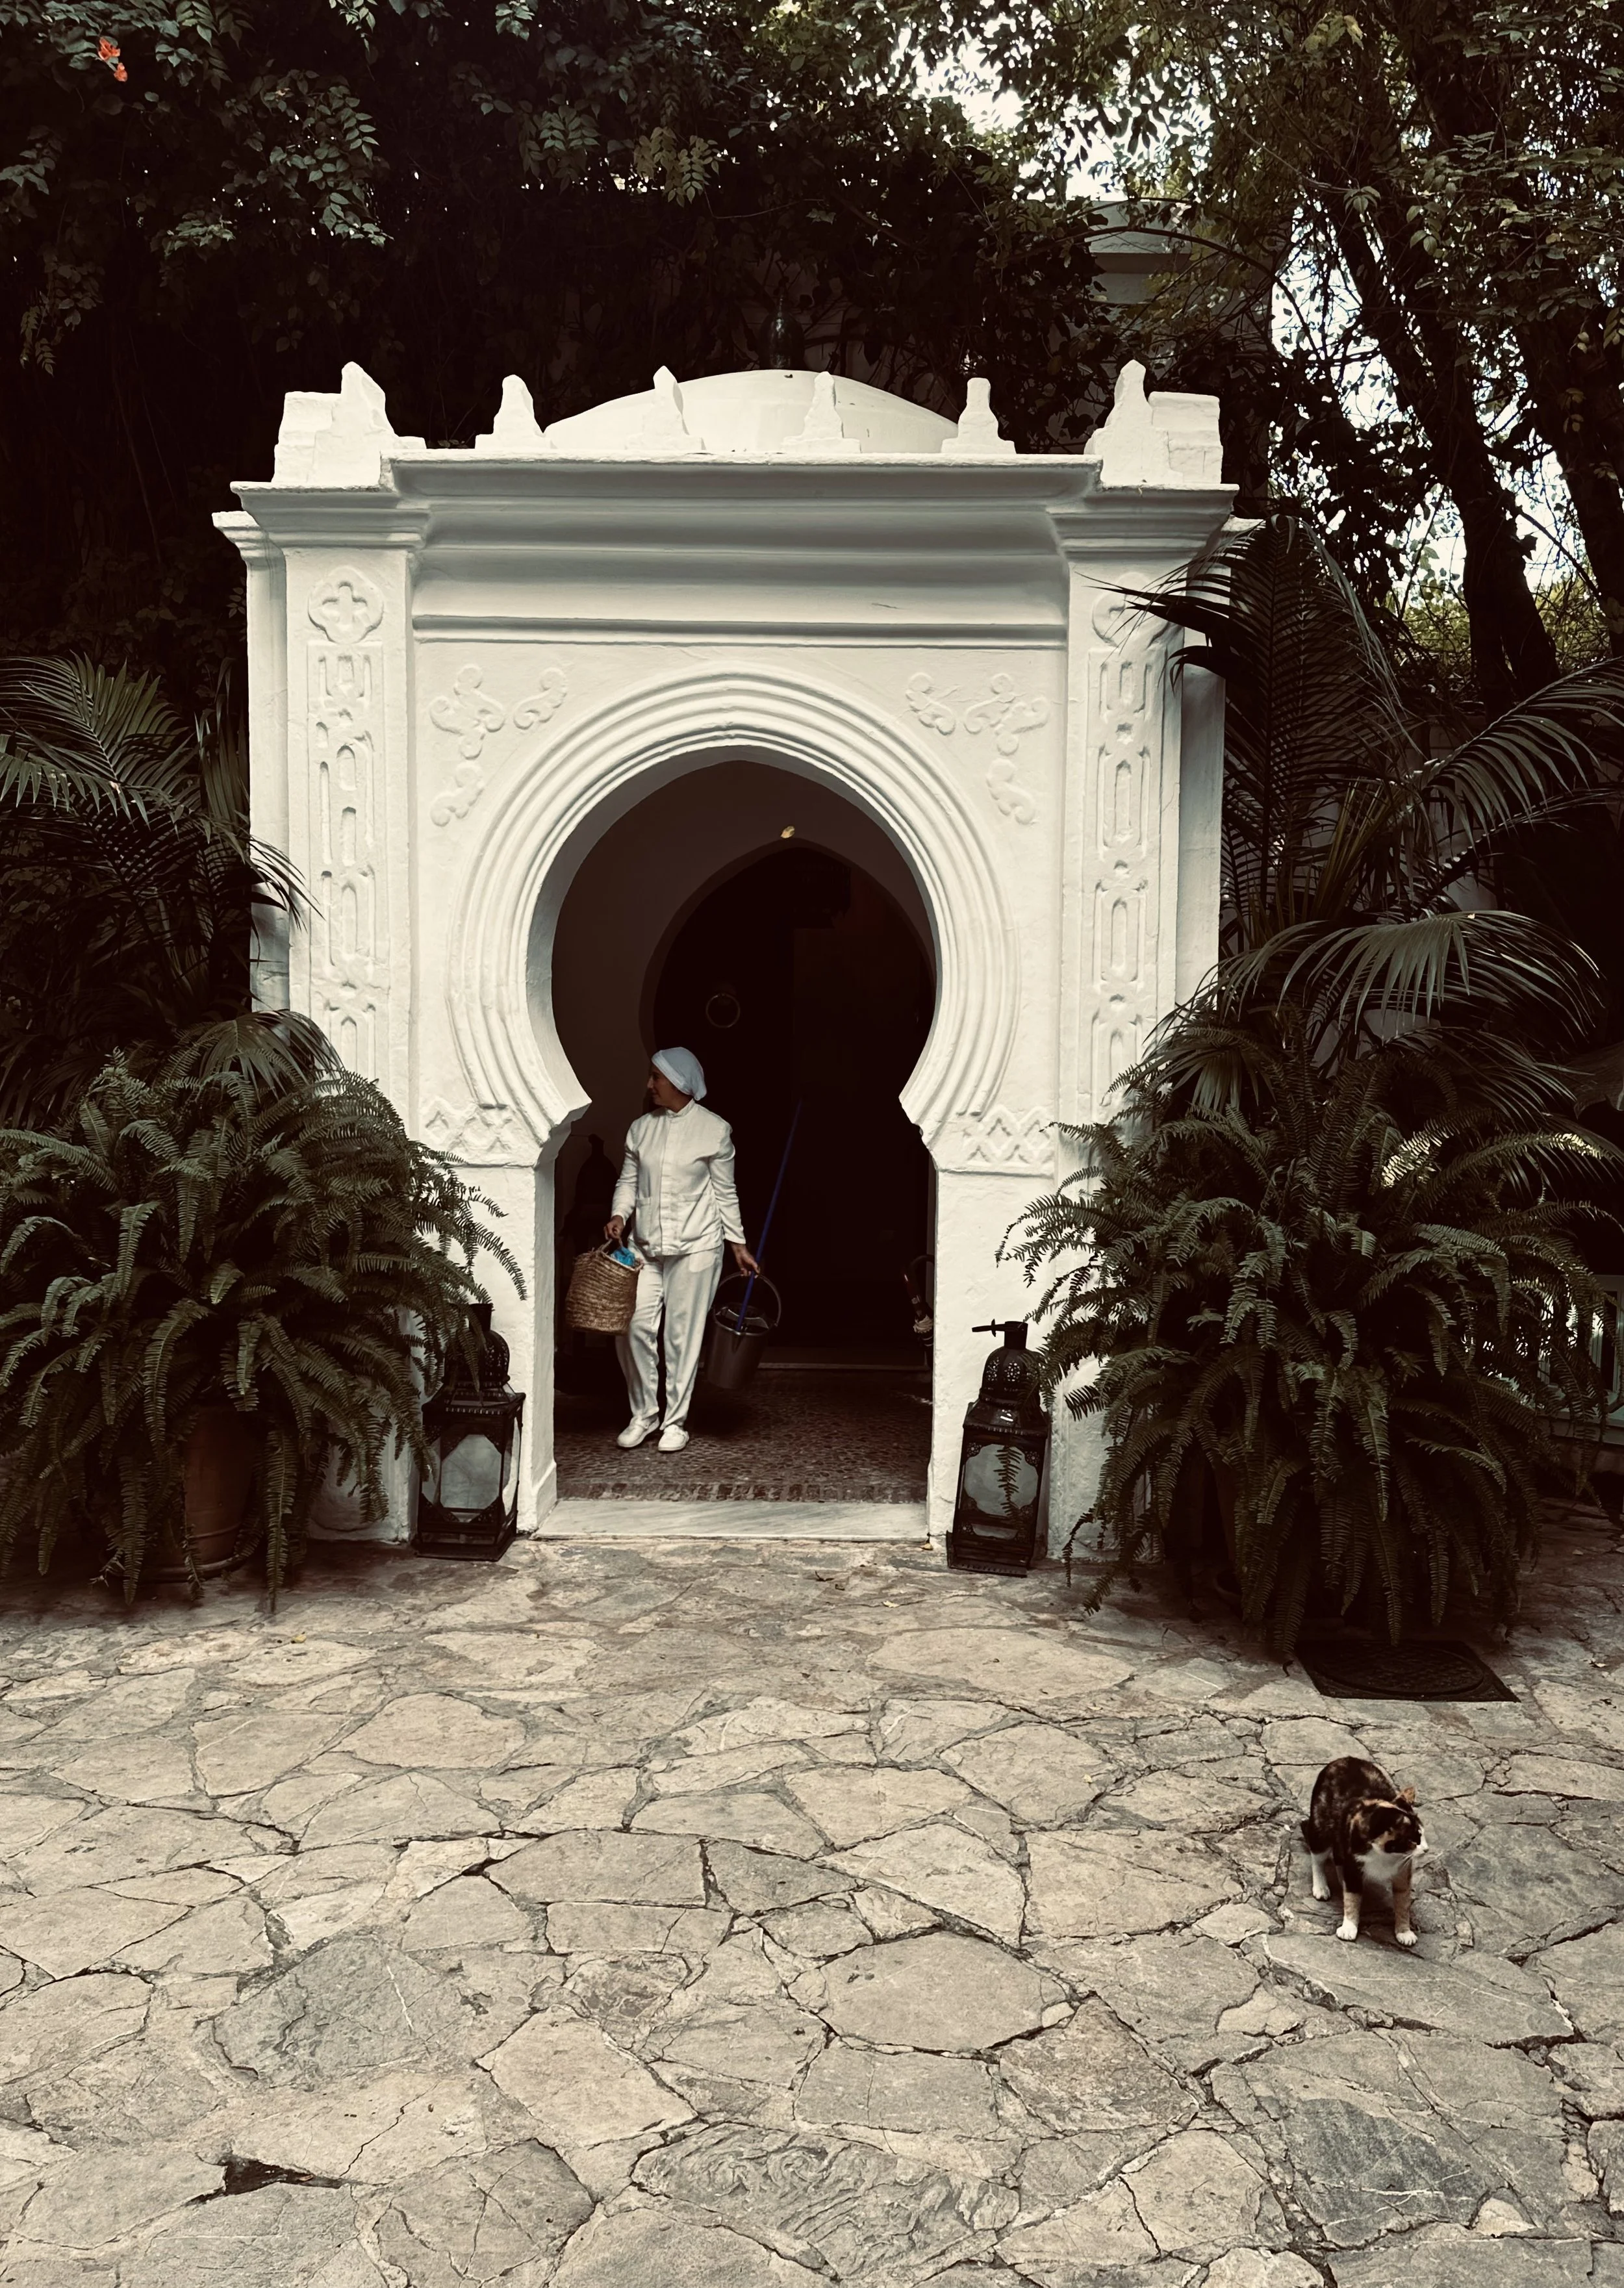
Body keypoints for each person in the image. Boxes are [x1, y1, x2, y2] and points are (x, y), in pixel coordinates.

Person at [605, 1047, 758, 1453]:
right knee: (633, 1327)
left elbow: (726, 1194)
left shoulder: (714, 1130)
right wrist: (620, 1214)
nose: (649, 1084)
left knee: (680, 1337)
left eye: (656, 1077)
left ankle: (675, 1422)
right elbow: (628, 1181)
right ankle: (643, 1414)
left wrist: (737, 1245)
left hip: (697, 1248)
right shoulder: (641, 1129)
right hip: (645, 1250)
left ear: (679, 1082)